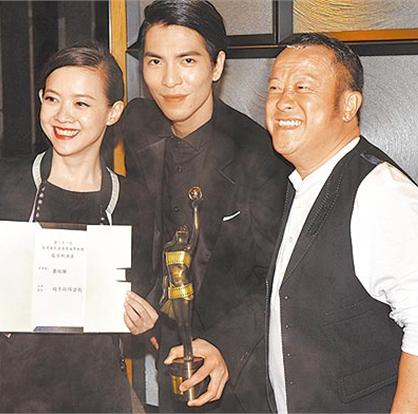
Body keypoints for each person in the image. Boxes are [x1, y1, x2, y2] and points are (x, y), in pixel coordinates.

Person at [0, 42, 155, 412]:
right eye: (52, 99)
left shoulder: (133, 200)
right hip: (6, 395)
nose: (63, 116)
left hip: (97, 395)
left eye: (81, 104)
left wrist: (144, 319)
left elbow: (146, 293)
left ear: (113, 112)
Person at [109, 1, 290, 412]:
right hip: (170, 355)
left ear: (217, 65)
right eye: (155, 61)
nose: (169, 80)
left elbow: (280, 277)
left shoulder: (260, 154)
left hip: (241, 371)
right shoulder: (138, 127)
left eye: (187, 60)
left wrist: (226, 344)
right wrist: (146, 301)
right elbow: (140, 220)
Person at [265, 32, 418, 412]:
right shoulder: (302, 182)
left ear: (348, 105)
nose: (283, 101)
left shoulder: (381, 191)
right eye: (275, 87)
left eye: (303, 87)